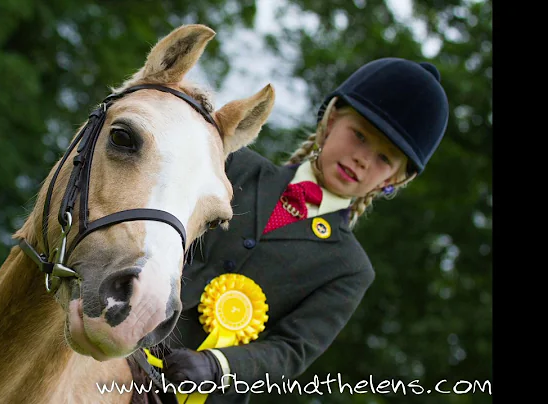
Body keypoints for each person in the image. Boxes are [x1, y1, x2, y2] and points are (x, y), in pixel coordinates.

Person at [158, 57, 450, 403]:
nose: (363, 159)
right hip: (133, 326)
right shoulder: (237, 164)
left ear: (395, 179)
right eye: (359, 136)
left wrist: (217, 366)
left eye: (384, 159)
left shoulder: (350, 269)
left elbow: (291, 349)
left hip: (197, 392)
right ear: (330, 120)